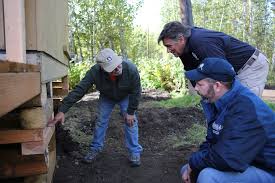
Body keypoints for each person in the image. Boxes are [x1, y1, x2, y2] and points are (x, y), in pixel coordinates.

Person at [180, 57, 275, 183]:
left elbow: (227, 159)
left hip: (266, 169)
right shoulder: (220, 101)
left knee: (208, 176)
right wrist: (193, 163)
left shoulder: (245, 108)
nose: (196, 88)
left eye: (199, 84)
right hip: (246, 162)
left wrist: (194, 162)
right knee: (186, 169)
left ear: (217, 85)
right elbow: (212, 141)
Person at [48, 48, 143, 167]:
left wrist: (131, 112)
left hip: (125, 96)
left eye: (117, 64)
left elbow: (136, 92)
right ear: (103, 68)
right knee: (101, 121)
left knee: (131, 121)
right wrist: (62, 110)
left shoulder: (130, 69)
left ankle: (134, 152)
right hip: (107, 97)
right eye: (112, 67)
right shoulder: (95, 72)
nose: (117, 68)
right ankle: (95, 148)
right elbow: (80, 90)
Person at [158, 21, 269, 97]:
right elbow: (192, 72)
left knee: (243, 109)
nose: (168, 50)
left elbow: (221, 72)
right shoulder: (183, 50)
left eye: (169, 46)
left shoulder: (201, 42)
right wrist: (202, 93)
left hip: (250, 66)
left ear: (181, 39)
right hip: (232, 69)